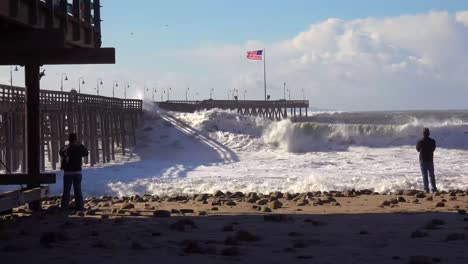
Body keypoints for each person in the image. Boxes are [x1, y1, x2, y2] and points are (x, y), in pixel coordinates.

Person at [59, 132, 89, 210]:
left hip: (68, 172)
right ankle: (79, 206)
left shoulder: (67, 147)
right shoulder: (79, 147)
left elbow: (60, 152)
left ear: (69, 139)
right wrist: (80, 144)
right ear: (76, 139)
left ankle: (64, 207)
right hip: (77, 172)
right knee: (78, 190)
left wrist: (66, 145)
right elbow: (86, 153)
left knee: (66, 191)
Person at [416, 128, 437, 193]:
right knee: (432, 175)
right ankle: (433, 189)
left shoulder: (420, 141)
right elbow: (433, 149)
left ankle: (426, 189)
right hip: (430, 159)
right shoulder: (432, 141)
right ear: (429, 134)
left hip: (422, 159)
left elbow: (418, 149)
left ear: (423, 134)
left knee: (424, 175)